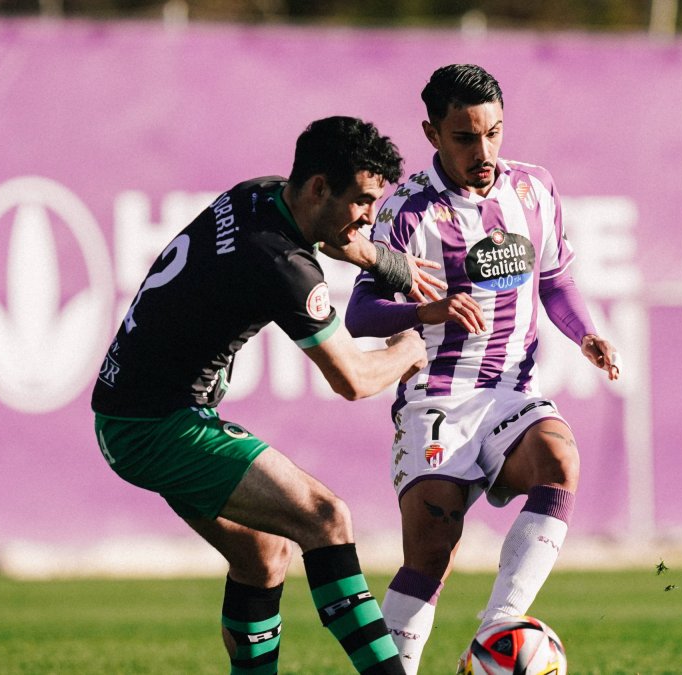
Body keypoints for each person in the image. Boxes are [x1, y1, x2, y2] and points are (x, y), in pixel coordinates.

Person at [92, 116, 446, 675]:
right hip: (158, 427)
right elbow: (351, 380)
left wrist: (383, 260)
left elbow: (337, 240)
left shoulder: (257, 195)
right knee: (326, 518)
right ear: (318, 188)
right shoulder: (283, 266)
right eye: (362, 201)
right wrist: (409, 346)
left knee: (262, 557)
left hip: (134, 414)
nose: (367, 218)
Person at [344, 64, 620, 672]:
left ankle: (499, 627)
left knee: (559, 461)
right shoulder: (409, 212)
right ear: (432, 133)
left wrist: (586, 335)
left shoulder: (534, 189)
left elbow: (555, 277)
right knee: (431, 557)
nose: (484, 151)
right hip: (437, 398)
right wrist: (430, 307)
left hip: (511, 389)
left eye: (493, 133)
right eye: (466, 138)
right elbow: (361, 314)